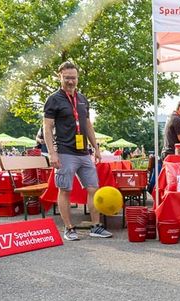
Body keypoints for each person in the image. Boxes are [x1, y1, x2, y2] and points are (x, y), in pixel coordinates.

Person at [43, 61, 112, 240]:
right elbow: (47, 127)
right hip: (65, 152)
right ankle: (69, 228)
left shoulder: (82, 99)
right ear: (60, 77)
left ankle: (96, 226)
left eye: (73, 78)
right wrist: (52, 153)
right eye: (67, 78)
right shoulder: (53, 99)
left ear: (77, 78)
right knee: (65, 190)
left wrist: (96, 148)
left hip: (83, 153)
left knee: (93, 188)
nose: (71, 81)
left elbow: (87, 124)